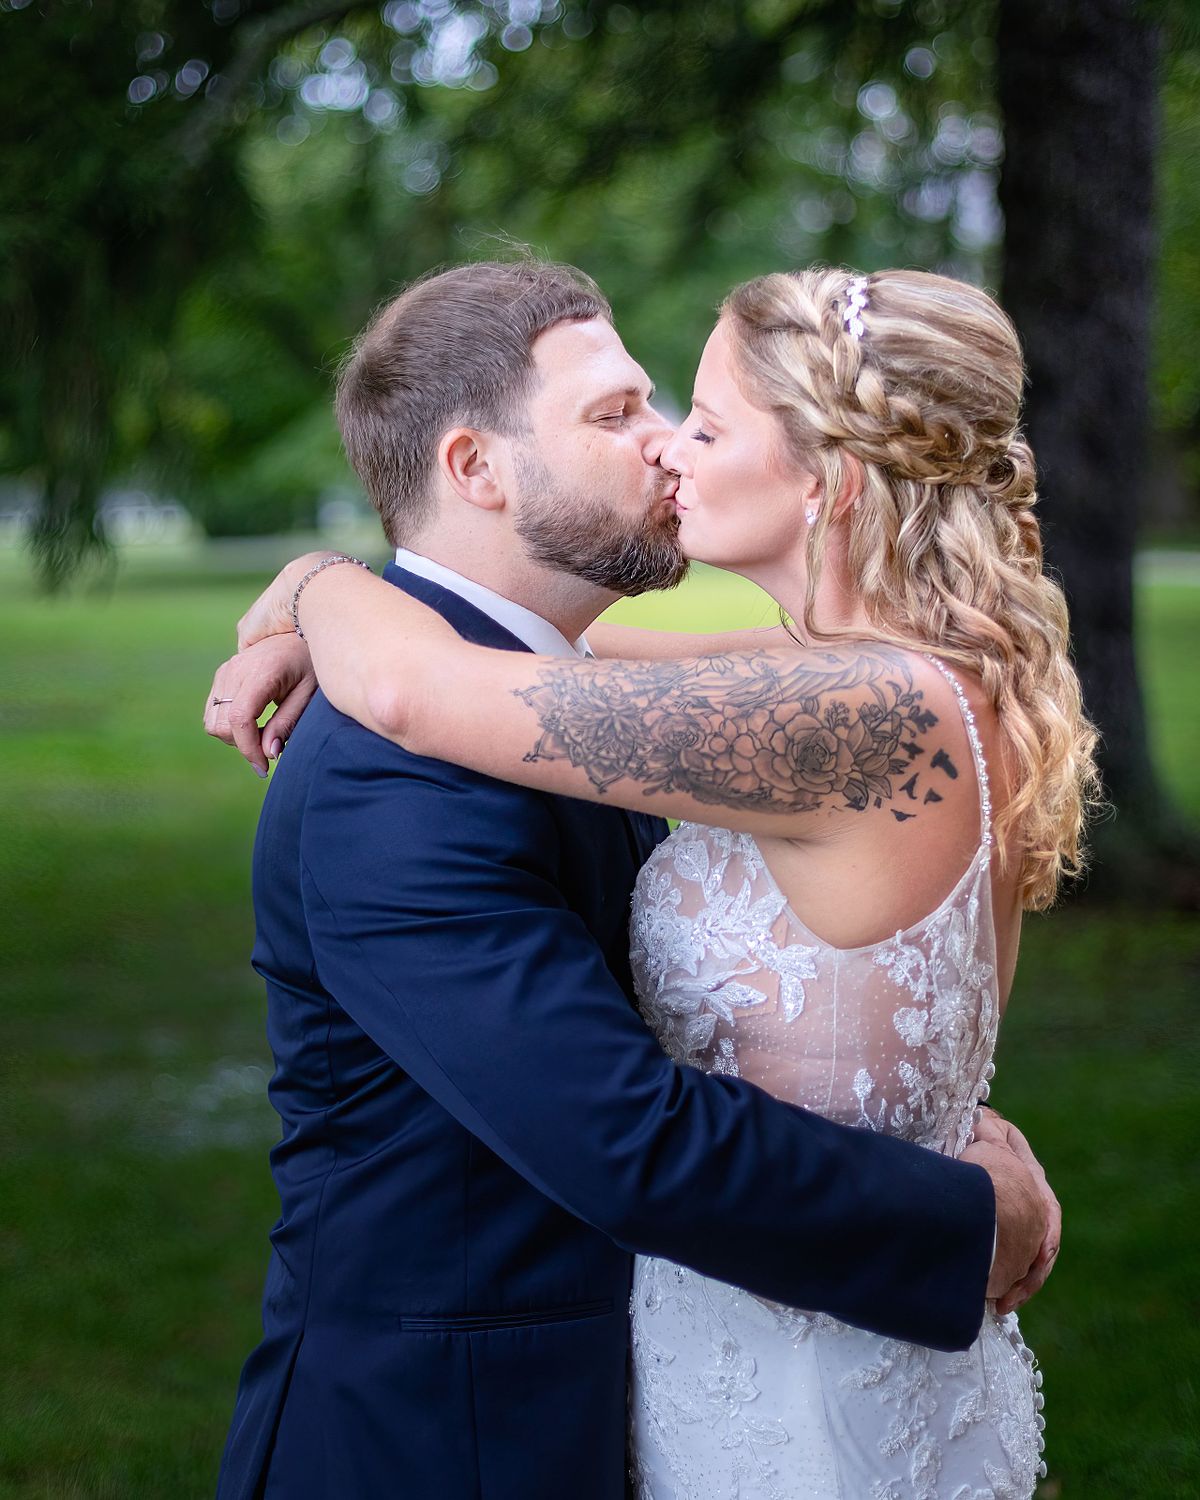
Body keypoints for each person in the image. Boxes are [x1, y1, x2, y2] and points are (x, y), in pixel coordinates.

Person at [206, 260, 1062, 1500]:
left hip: (780, 1387)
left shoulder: (830, 704)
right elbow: (626, 1138)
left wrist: (318, 583)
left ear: (829, 476)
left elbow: (431, 681)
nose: (667, 449)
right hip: (444, 1443)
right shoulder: (398, 774)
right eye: (625, 416)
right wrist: (325, 586)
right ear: (475, 469)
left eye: (696, 420)